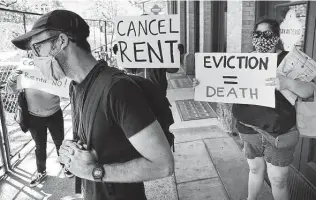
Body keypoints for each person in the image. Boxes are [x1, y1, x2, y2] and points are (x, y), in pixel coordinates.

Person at [11, 10, 174, 200]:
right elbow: (98, 145)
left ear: (61, 41)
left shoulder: (117, 89)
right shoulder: (75, 86)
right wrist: (72, 150)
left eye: (37, 49)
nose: (35, 58)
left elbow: (163, 165)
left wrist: (94, 172)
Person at [193, 18, 315, 200]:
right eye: (257, 34)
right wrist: (204, 83)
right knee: (255, 168)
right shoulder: (246, 60)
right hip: (248, 128)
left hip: (279, 133)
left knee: (278, 180)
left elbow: (309, 90)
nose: (261, 39)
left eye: (266, 34)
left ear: (276, 37)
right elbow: (227, 85)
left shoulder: (290, 60)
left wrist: (288, 82)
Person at [6, 60, 73, 188]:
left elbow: (66, 87)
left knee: (59, 142)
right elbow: (10, 91)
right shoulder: (24, 66)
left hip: (54, 113)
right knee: (39, 146)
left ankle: (65, 166)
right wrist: (11, 79)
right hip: (34, 116)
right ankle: (41, 171)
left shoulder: (53, 64)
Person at [112, 41, 184, 97]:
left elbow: (173, 69)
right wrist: (121, 53)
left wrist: (176, 54)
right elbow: (129, 69)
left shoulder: (161, 55)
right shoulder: (138, 54)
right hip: (142, 94)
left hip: (158, 94)